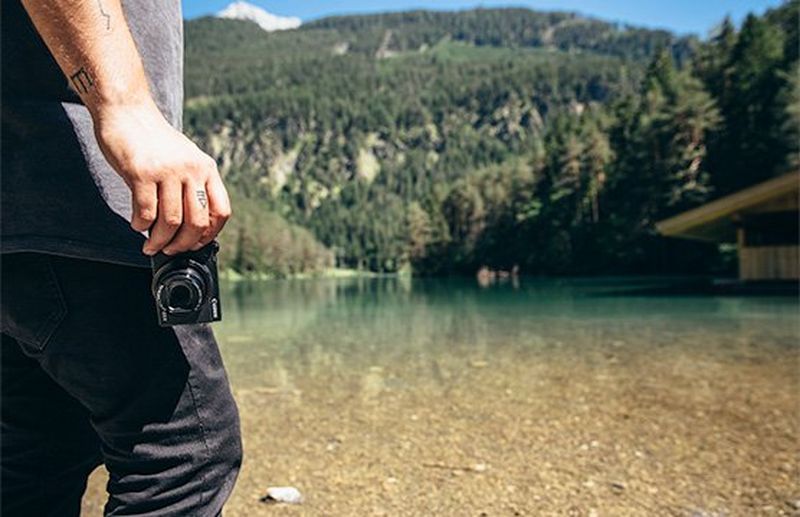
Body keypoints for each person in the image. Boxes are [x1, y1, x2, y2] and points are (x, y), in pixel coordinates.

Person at [1, 0, 243, 515]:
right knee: (183, 457)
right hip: (72, 198)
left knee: (38, 452)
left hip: (23, 209)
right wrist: (125, 107)